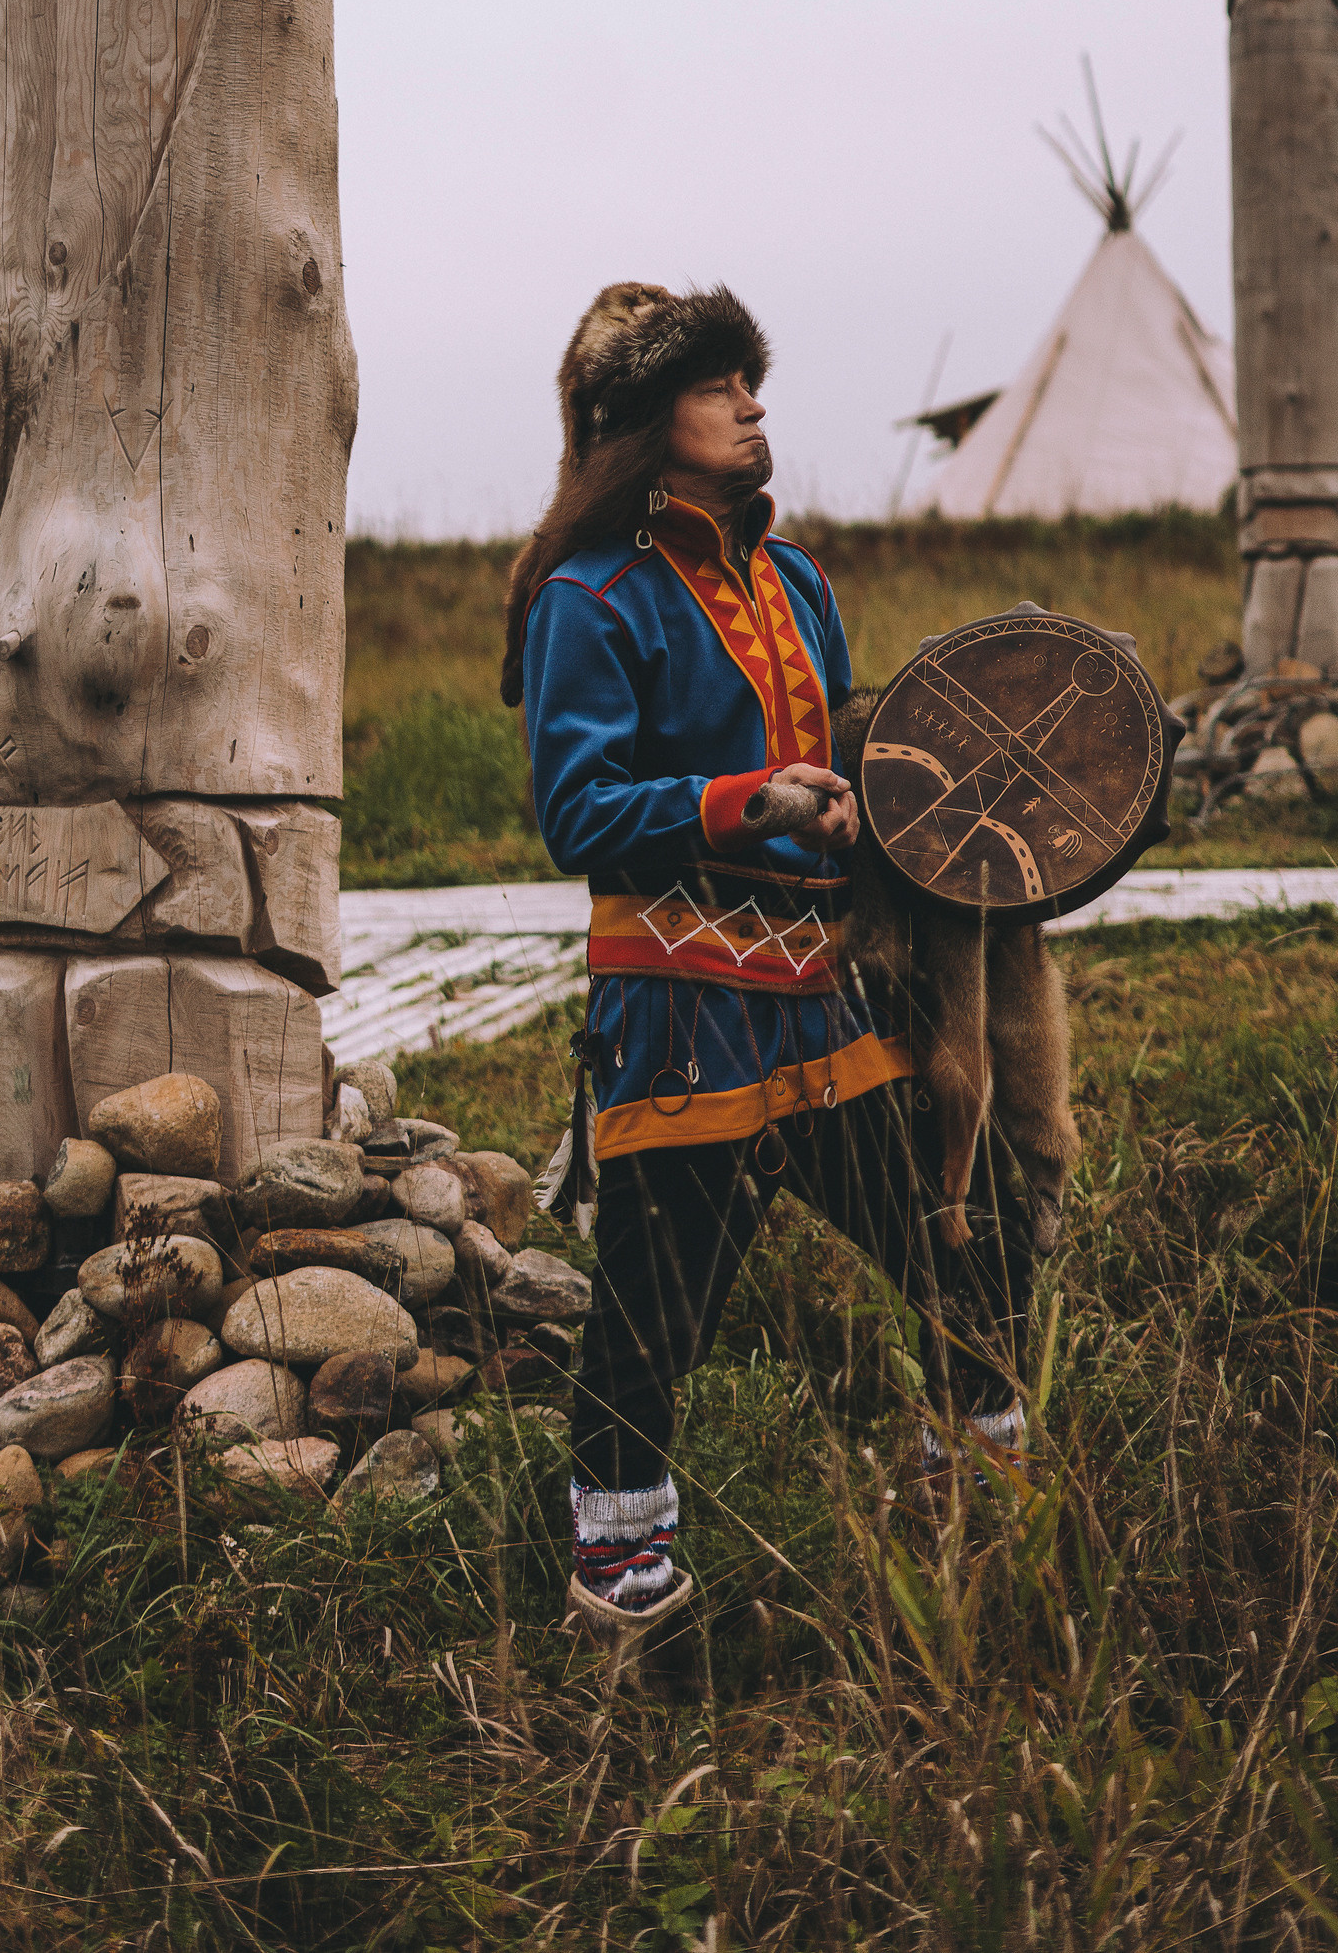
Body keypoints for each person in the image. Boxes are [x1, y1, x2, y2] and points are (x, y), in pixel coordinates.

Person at [505, 281, 1044, 1656]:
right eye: (715, 384)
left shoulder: (793, 577)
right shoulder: (587, 597)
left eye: (750, 378)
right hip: (679, 1006)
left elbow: (841, 744)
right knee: (651, 1304)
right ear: (639, 422)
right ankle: (620, 1586)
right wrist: (751, 802)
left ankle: (981, 1496)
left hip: (824, 995)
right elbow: (578, 812)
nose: (750, 404)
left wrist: (909, 778)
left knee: (955, 1225)